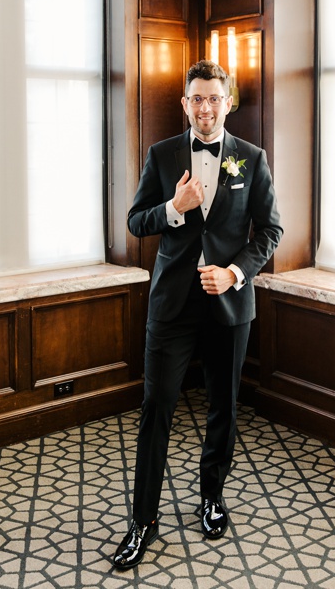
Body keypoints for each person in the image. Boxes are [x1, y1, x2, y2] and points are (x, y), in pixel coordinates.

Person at [111, 60, 283, 570]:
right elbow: (137, 222)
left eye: (214, 98)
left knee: (223, 409)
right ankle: (142, 521)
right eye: (196, 99)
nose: (205, 108)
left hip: (229, 304)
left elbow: (269, 231)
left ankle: (212, 497)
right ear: (184, 104)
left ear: (227, 103)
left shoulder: (252, 158)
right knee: (156, 408)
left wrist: (235, 273)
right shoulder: (161, 155)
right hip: (172, 306)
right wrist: (174, 206)